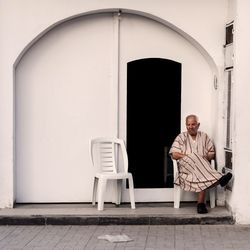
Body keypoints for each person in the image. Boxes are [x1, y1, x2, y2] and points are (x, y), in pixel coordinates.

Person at [169, 114, 232, 214]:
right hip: (186, 166)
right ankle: (219, 179)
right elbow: (174, 154)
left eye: (193, 124)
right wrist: (191, 156)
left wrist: (202, 159)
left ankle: (201, 204)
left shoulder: (204, 136)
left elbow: (211, 153)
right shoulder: (181, 137)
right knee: (195, 156)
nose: (190, 127)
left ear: (198, 125)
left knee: (199, 169)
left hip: (202, 168)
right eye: (188, 125)